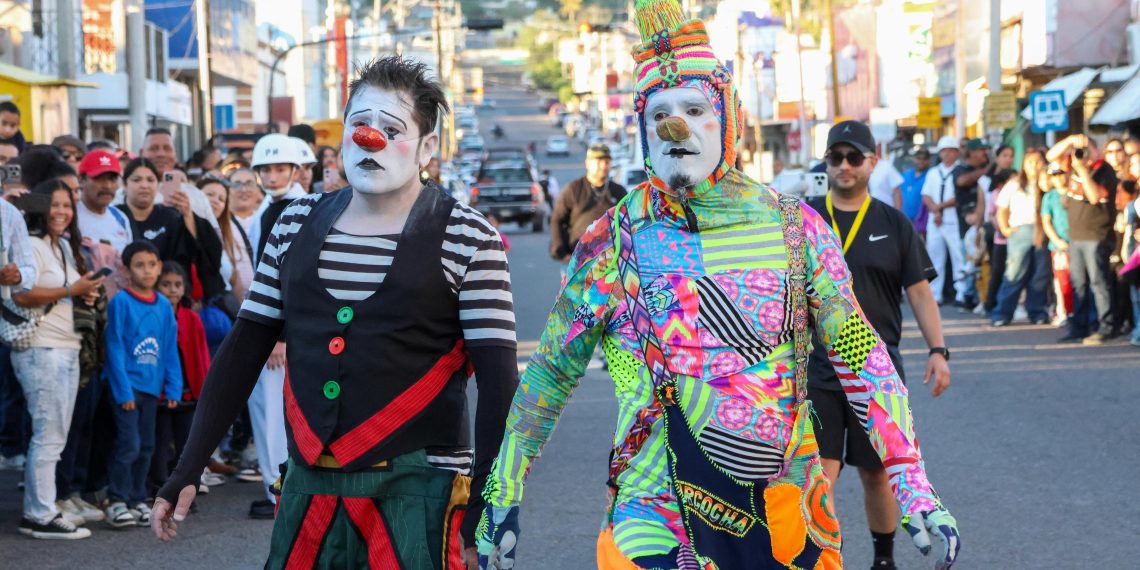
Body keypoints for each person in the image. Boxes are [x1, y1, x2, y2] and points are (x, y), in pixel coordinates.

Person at [478, 3, 960, 568]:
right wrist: (500, 490)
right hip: (654, 517)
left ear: (728, 117)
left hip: (785, 516)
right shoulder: (613, 240)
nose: (673, 125)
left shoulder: (795, 229)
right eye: (658, 113)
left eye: (693, 108)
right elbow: (550, 373)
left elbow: (863, 358)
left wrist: (911, 479)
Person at [152, 56, 519, 568]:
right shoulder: (293, 222)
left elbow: (500, 382)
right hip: (309, 484)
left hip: (422, 487)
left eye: (392, 129)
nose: (370, 138)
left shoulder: (469, 236)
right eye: (360, 124)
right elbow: (244, 349)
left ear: (427, 148)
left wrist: (490, 500)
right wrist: (187, 467)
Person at [807, 121, 949, 570]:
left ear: (872, 161)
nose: (844, 166)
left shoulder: (893, 223)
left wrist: (938, 351)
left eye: (854, 157)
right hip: (815, 367)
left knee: (877, 473)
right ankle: (819, 559)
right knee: (820, 474)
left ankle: (883, 560)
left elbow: (920, 293)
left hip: (877, 371)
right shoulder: (805, 220)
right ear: (826, 163)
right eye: (836, 158)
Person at [12, 179, 104, 539]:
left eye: (67, 205)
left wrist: (85, 294)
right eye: (54, 205)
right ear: (39, 208)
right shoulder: (30, 244)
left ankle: (46, 508)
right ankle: (39, 514)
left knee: (56, 435)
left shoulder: (63, 245)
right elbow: (21, 295)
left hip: (67, 347)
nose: (62, 212)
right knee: (48, 434)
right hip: (41, 349)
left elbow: (68, 292)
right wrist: (72, 290)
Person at [236, 132, 310, 520]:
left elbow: (288, 277)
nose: (273, 175)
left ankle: (278, 489)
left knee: (273, 414)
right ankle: (277, 486)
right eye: (266, 169)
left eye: (280, 168)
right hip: (274, 324)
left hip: (282, 331)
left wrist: (279, 337)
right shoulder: (272, 208)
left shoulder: (294, 208)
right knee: (267, 410)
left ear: (294, 169)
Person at [103, 240, 182, 528]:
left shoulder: (162, 305)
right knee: (129, 443)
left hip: (151, 388)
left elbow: (170, 347)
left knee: (147, 445)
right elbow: (113, 347)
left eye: (152, 264)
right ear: (126, 270)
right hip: (127, 388)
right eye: (139, 265)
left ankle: (137, 498)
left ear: (159, 267)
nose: (147, 271)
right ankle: (117, 500)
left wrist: (173, 386)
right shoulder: (122, 302)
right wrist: (123, 390)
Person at [149, 261, 211, 498]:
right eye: (166, 285)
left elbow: (202, 355)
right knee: (160, 444)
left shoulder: (191, 319)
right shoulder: (155, 314)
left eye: (177, 285)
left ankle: (183, 489)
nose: (172, 290)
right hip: (162, 394)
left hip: (188, 393)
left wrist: (206, 390)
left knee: (186, 445)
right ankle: (159, 487)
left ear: (185, 289)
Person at [1052, 135, 1117, 344]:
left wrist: (1082, 171)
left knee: (1098, 281)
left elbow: (1094, 196)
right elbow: (1050, 156)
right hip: (1076, 235)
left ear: (1096, 150)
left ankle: (1106, 326)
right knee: (1077, 283)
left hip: (1096, 235)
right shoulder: (1073, 163)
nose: (1083, 154)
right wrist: (1071, 141)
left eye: (1087, 149)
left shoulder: (1104, 170)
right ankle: (1079, 327)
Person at [991, 150, 1050, 326]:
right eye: (1030, 162)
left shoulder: (1046, 184)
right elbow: (1002, 207)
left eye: (1038, 161)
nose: (1034, 166)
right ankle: (1002, 313)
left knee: (1039, 274)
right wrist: (1005, 228)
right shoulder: (1015, 183)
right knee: (1015, 273)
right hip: (1021, 229)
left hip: (1041, 230)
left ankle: (1037, 312)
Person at [549, 143, 627, 262]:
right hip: (579, 260)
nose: (603, 166)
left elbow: (629, 221)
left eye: (606, 162)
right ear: (587, 163)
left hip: (612, 261)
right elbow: (557, 220)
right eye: (598, 161)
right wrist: (561, 252)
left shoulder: (618, 191)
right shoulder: (573, 189)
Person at [76, 149, 133, 298]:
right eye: (99, 178)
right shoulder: (70, 216)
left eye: (112, 179)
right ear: (81, 180)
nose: (107, 186)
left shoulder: (120, 217)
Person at [922, 136, 967, 305]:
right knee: (935, 257)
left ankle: (961, 293)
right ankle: (935, 294)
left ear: (956, 152)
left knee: (958, 256)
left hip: (952, 220)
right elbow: (926, 195)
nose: (947, 154)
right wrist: (935, 209)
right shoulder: (933, 173)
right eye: (944, 151)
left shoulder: (961, 171)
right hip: (935, 221)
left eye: (951, 151)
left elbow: (958, 197)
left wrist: (939, 207)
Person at [139, 128, 217, 226]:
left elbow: (214, 236)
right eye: (154, 148)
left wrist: (189, 217)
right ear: (141, 153)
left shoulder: (195, 195)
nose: (161, 154)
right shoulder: (129, 193)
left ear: (175, 154)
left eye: (167, 148)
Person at [199, 175, 254, 309]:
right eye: (209, 194)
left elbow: (236, 282)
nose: (215, 201)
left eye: (221, 199)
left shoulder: (224, 234)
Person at [1041, 162, 1073, 324]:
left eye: (1061, 173)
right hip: (1059, 246)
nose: (1058, 178)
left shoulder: (1075, 192)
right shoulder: (1049, 197)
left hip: (1077, 242)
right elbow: (1046, 222)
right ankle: (1064, 312)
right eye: (1054, 175)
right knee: (1062, 282)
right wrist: (1057, 240)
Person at [900, 147, 932, 228]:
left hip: (922, 221)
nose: (921, 161)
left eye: (925, 158)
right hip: (904, 219)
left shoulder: (931, 175)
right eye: (919, 158)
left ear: (929, 160)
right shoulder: (906, 174)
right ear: (914, 159)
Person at [227, 167, 263, 235]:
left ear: (258, 190)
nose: (244, 190)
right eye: (237, 185)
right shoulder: (219, 222)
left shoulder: (265, 220)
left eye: (249, 184)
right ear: (228, 190)